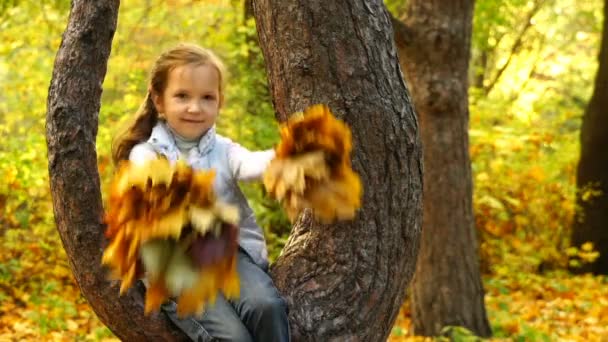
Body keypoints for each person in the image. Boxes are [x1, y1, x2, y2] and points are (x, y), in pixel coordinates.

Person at [111, 43, 290, 342]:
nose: (195, 107)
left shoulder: (224, 149)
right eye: (182, 96)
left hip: (228, 256)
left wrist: (290, 158)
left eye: (207, 98)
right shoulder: (145, 154)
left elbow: (252, 165)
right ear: (159, 101)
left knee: (267, 306)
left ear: (219, 103)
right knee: (234, 338)